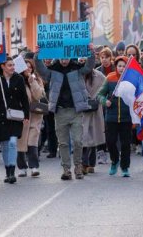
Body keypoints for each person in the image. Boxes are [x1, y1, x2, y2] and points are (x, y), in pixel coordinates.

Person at [34, 48, 98, 180]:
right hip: (60, 111)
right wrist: (37, 55)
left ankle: (78, 166)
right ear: (58, 57)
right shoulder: (53, 69)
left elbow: (90, 66)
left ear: (70, 56)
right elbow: (41, 70)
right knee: (63, 143)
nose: (64, 60)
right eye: (62, 58)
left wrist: (91, 52)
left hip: (76, 111)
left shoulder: (77, 68)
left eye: (66, 57)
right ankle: (66, 169)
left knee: (78, 141)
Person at [0, 58, 29, 184]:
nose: (12, 67)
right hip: (0, 117)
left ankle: (12, 170)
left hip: (15, 116)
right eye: (10, 65)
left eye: (13, 65)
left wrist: (26, 115)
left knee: (12, 143)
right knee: (5, 145)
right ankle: (8, 171)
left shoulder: (19, 79)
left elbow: (24, 98)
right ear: (3, 66)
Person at [98, 56, 134, 177]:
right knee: (110, 142)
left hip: (126, 117)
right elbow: (100, 95)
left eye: (124, 66)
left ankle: (125, 167)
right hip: (111, 117)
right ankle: (115, 161)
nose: (122, 68)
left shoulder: (131, 79)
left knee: (125, 144)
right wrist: (105, 101)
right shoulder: (110, 78)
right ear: (116, 66)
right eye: (119, 66)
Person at [18, 54, 46, 178]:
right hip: (21, 117)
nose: (27, 70)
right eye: (25, 68)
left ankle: (34, 166)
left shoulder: (37, 80)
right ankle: (22, 167)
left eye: (30, 68)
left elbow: (39, 96)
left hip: (34, 116)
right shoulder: (17, 80)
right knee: (21, 142)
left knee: (32, 142)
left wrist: (32, 81)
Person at [80, 63, 107, 175]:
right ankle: (84, 163)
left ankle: (91, 164)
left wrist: (99, 97)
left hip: (96, 109)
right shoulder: (78, 74)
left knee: (94, 136)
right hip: (82, 109)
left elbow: (107, 87)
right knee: (84, 136)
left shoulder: (99, 75)